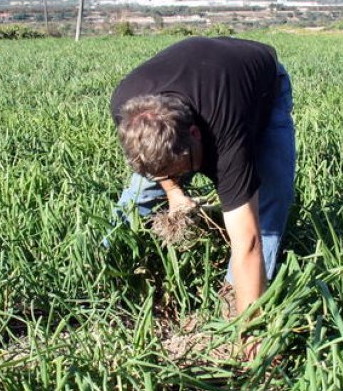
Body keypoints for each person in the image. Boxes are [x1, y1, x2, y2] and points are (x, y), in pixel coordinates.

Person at [110, 36, 296, 319]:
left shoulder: (227, 135)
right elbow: (160, 167)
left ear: (195, 136)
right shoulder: (127, 111)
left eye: (183, 168)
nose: (181, 176)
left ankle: (234, 303)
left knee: (270, 199)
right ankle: (104, 271)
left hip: (260, 87)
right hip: (201, 75)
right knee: (139, 194)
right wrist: (172, 191)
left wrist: (249, 328)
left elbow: (248, 241)